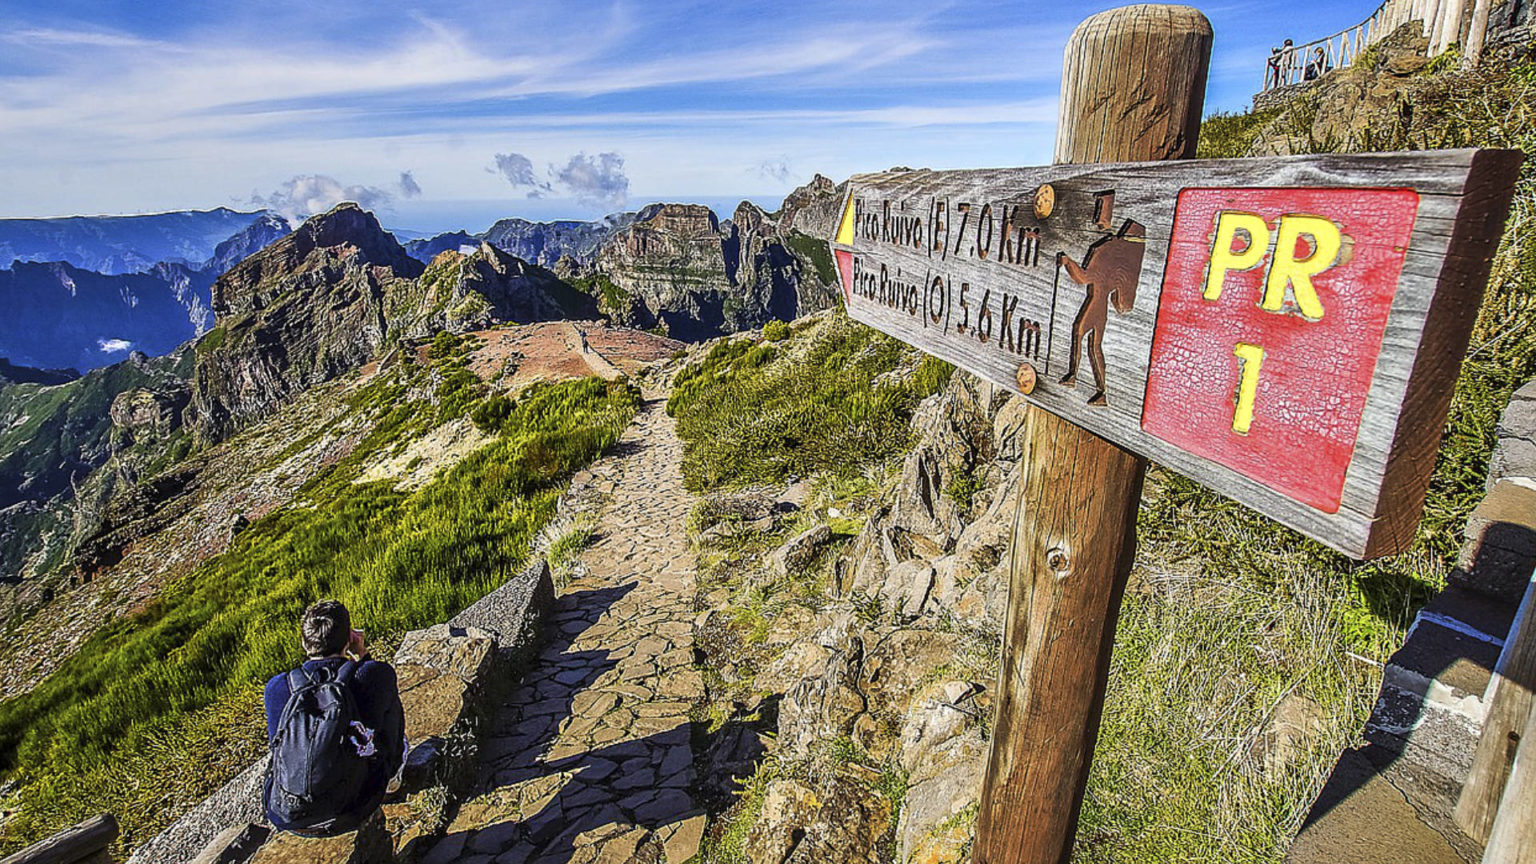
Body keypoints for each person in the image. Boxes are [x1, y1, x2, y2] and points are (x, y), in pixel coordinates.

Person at [263, 599, 405, 836]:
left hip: (290, 816)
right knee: (389, 708)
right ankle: (392, 779)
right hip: (354, 807)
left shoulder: (276, 687)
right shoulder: (374, 674)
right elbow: (377, 698)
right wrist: (363, 655)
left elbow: (275, 746)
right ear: (349, 638)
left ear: (304, 642)